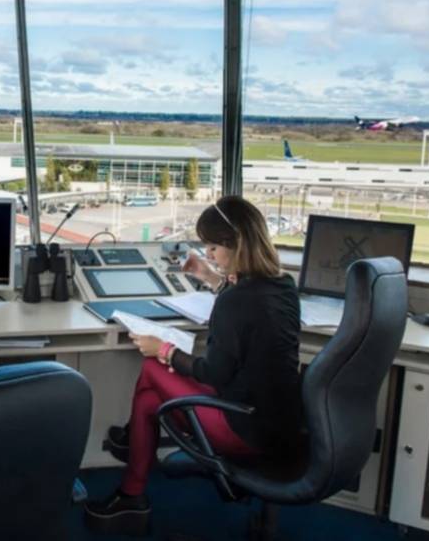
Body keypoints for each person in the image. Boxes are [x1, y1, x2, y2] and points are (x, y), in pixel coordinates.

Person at [85, 195, 302, 531]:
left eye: (213, 249)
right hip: (278, 423)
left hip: (245, 426)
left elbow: (214, 375)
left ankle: (131, 458)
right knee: (148, 401)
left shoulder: (236, 300)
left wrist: (164, 349)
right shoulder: (283, 286)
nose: (211, 256)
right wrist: (210, 277)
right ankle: (132, 493)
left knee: (152, 369)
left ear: (237, 245)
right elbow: (248, 310)